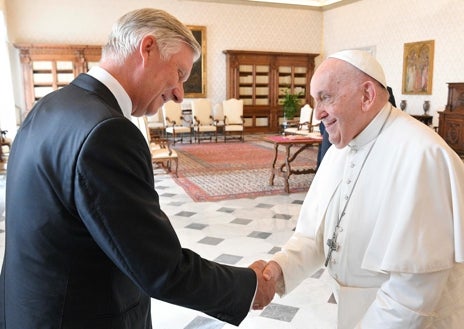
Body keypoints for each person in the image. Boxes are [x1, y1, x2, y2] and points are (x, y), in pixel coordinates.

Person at [0, 8, 275, 328]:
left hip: (28, 309)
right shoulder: (107, 132)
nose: (179, 94)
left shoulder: (52, 105)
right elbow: (160, 267)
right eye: (180, 73)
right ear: (147, 48)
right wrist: (249, 285)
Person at [262, 49, 464, 328]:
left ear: (367, 96)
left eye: (325, 98)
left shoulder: (423, 156)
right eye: (315, 99)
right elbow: (315, 236)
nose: (318, 113)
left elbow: (413, 291)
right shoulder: (341, 146)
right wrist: (277, 271)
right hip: (357, 312)